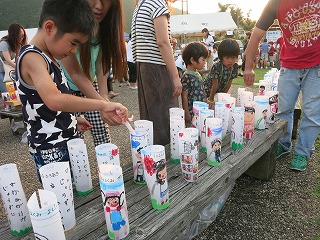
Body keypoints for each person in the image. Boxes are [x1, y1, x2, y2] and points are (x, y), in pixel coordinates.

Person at [16, 0, 128, 179]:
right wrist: (101, 105)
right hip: (49, 148)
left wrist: (72, 120)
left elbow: (49, 103)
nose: (74, 50)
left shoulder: (50, 56)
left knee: (77, 191)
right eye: (73, 43)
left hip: (65, 140)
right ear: (50, 28)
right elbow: (54, 99)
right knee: (63, 196)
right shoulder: (32, 57)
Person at [243, 0, 320, 172]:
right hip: (290, 65)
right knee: (283, 109)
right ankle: (284, 144)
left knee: (312, 113)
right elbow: (256, 35)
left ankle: (302, 151)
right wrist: (248, 67)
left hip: (317, 65)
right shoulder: (276, 3)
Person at [61, 0, 127, 146]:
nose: (99, 6)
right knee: (73, 139)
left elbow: (101, 64)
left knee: (102, 133)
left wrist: (103, 96)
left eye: (105, 0)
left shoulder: (104, 27)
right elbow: (75, 73)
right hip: (64, 88)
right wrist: (102, 104)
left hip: (90, 84)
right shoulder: (67, 25)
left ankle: (107, 167)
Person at [131, 0, 182, 146]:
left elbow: (153, 40)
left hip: (144, 67)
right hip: (157, 69)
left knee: (151, 117)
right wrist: (175, 76)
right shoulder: (157, 4)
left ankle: (153, 157)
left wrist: (167, 41)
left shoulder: (141, 4)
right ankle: (167, 160)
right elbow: (162, 42)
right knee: (165, 118)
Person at [203, 38, 239, 109]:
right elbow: (214, 84)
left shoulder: (234, 67)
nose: (230, 61)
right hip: (208, 91)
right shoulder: (217, 66)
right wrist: (211, 99)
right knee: (209, 108)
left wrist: (223, 96)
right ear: (221, 57)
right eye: (227, 58)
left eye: (233, 57)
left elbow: (229, 83)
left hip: (219, 91)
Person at [180, 42, 208, 127]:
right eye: (203, 59)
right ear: (192, 60)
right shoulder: (187, 76)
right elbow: (184, 95)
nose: (205, 62)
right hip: (193, 111)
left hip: (201, 109)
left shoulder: (196, 73)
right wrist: (186, 113)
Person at [0, 23, 27, 93]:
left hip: (7, 70)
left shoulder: (17, 44)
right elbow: (8, 60)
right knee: (6, 91)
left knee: (13, 91)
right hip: (1, 70)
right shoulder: (4, 44)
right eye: (21, 36)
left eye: (23, 36)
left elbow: (17, 58)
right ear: (14, 35)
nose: (22, 38)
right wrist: (20, 68)